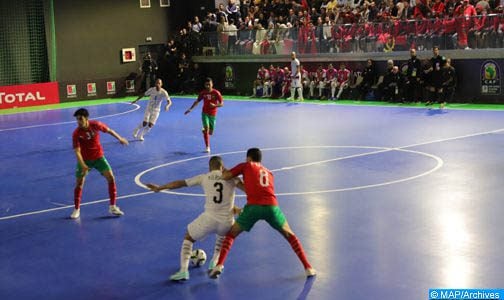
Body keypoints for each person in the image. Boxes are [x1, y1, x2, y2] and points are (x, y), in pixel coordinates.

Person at [208, 148, 316, 279]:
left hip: (253, 208)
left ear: (248, 158)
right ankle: (308, 267)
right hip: (272, 207)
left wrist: (224, 169)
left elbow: (225, 177)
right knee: (290, 235)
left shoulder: (246, 165)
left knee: (231, 235)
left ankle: (219, 265)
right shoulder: (269, 173)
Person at [146, 156, 244, 281]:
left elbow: (180, 183)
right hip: (227, 222)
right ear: (222, 166)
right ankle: (214, 263)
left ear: (209, 167)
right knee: (222, 236)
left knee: (189, 237)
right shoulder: (232, 178)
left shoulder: (203, 177)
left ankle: (183, 271)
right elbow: (248, 190)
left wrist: (160, 187)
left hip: (209, 219)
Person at [70, 108, 129, 219]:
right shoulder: (76, 133)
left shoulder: (96, 125)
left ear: (86, 118)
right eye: (77, 120)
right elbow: (77, 151)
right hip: (85, 160)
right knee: (79, 184)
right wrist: (82, 165)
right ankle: (76, 209)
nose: (78, 122)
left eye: (80, 119)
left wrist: (120, 138)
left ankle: (112, 206)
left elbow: (109, 130)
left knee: (111, 178)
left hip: (98, 158)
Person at [184, 78, 223, 153]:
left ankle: (205, 131)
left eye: (209, 84)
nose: (208, 86)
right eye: (206, 85)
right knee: (207, 128)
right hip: (205, 113)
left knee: (210, 132)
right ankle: (207, 147)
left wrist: (215, 105)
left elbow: (222, 103)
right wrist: (190, 109)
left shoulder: (216, 93)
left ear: (212, 84)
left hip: (213, 114)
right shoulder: (203, 93)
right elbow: (197, 101)